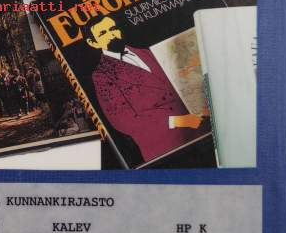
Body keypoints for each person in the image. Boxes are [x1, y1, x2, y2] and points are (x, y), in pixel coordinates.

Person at [86, 16, 203, 163]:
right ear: (93, 43)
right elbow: (123, 120)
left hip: (199, 129)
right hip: (165, 146)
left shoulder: (147, 53)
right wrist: (178, 121)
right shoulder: (102, 75)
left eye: (113, 29)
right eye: (103, 33)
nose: (111, 35)